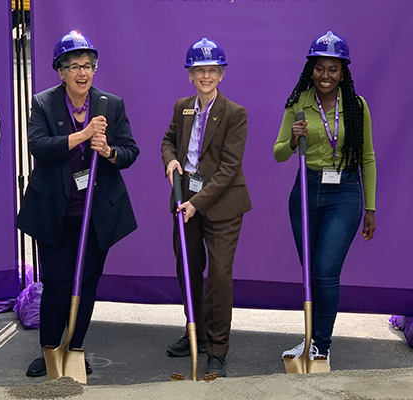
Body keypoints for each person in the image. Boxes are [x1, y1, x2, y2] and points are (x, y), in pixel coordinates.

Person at [16, 31, 139, 377]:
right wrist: (82, 136)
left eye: (88, 66)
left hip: (96, 214)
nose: (82, 73)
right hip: (55, 212)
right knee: (56, 284)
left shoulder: (110, 104)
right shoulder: (43, 103)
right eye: (73, 66)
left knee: (86, 285)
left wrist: (110, 152)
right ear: (60, 71)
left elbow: (130, 151)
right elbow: (39, 146)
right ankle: (50, 350)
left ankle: (75, 348)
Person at [274, 31, 376, 369]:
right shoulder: (298, 103)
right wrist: (291, 140)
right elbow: (277, 154)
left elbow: (368, 157)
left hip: (344, 191)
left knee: (325, 271)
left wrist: (370, 207)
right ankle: (309, 338)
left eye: (333, 69)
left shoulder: (357, 106)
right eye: (320, 68)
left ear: (343, 72)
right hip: (305, 188)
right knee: (310, 272)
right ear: (311, 70)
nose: (326, 76)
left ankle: (321, 346)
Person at [161, 38, 251, 377]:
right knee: (188, 269)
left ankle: (216, 349)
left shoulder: (235, 114)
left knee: (219, 276)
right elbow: (168, 141)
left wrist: (196, 203)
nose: (206, 76)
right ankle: (194, 331)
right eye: (200, 70)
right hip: (186, 200)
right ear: (190, 75)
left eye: (212, 70)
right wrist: (170, 161)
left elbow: (229, 168)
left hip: (222, 205)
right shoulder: (183, 107)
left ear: (221, 74)